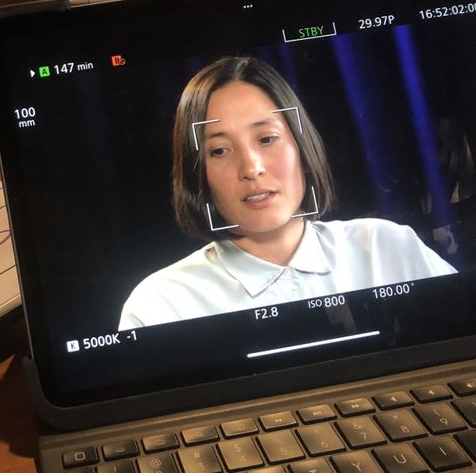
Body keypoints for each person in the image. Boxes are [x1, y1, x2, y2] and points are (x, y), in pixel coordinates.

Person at [119, 56, 457, 330]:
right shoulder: (159, 304)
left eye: (267, 139)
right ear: (198, 172)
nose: (251, 168)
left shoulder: (386, 247)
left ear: (301, 145)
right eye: (219, 151)